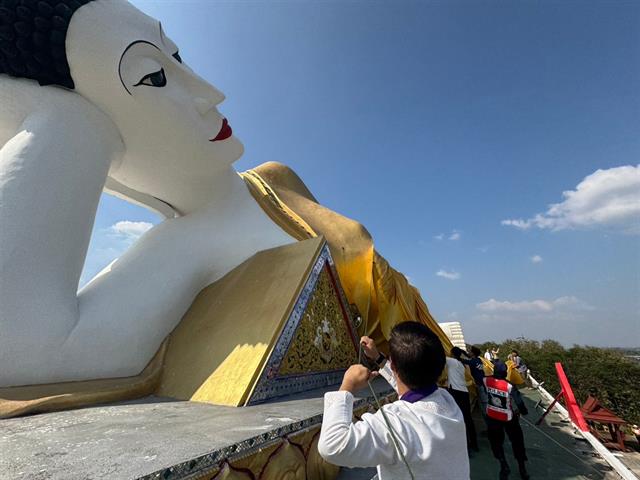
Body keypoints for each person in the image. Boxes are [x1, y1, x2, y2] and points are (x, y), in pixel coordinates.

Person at [318, 321, 470, 479]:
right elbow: (407, 387)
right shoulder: (447, 400)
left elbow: (333, 446)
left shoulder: (396, 423)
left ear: (394, 367)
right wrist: (378, 358)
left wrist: (347, 386)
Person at [484, 361, 530, 480]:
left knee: (496, 442)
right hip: (508, 418)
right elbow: (519, 402)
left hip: (492, 416)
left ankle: (504, 465)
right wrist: (523, 412)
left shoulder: (486, 381)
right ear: (505, 372)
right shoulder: (509, 385)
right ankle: (522, 469)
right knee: (517, 442)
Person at [447, 347, 479, 452]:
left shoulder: (451, 362)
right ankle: (474, 443)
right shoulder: (461, 364)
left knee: (458, 417)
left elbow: (438, 357)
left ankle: (465, 444)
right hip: (464, 391)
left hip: (456, 392)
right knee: (467, 418)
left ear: (452, 354)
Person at [461, 346, 488, 422]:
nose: (468, 352)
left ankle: (490, 425)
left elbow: (464, 361)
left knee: (484, 402)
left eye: (469, 351)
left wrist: (458, 356)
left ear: (473, 353)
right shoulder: (478, 360)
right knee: (483, 402)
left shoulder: (473, 361)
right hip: (482, 382)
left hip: (479, 384)